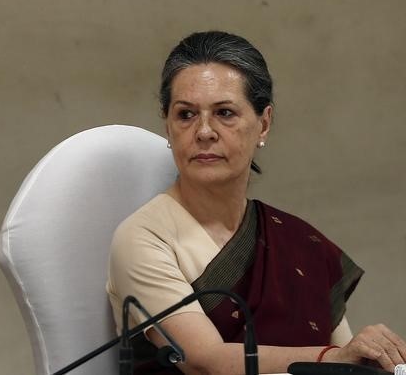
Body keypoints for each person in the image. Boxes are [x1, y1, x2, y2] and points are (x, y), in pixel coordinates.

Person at [107, 31, 406, 374]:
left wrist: (373, 358)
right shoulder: (143, 239)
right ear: (168, 125)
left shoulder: (299, 244)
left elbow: (344, 359)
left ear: (263, 124)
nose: (204, 131)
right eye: (186, 114)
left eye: (224, 113)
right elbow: (205, 362)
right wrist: (332, 359)